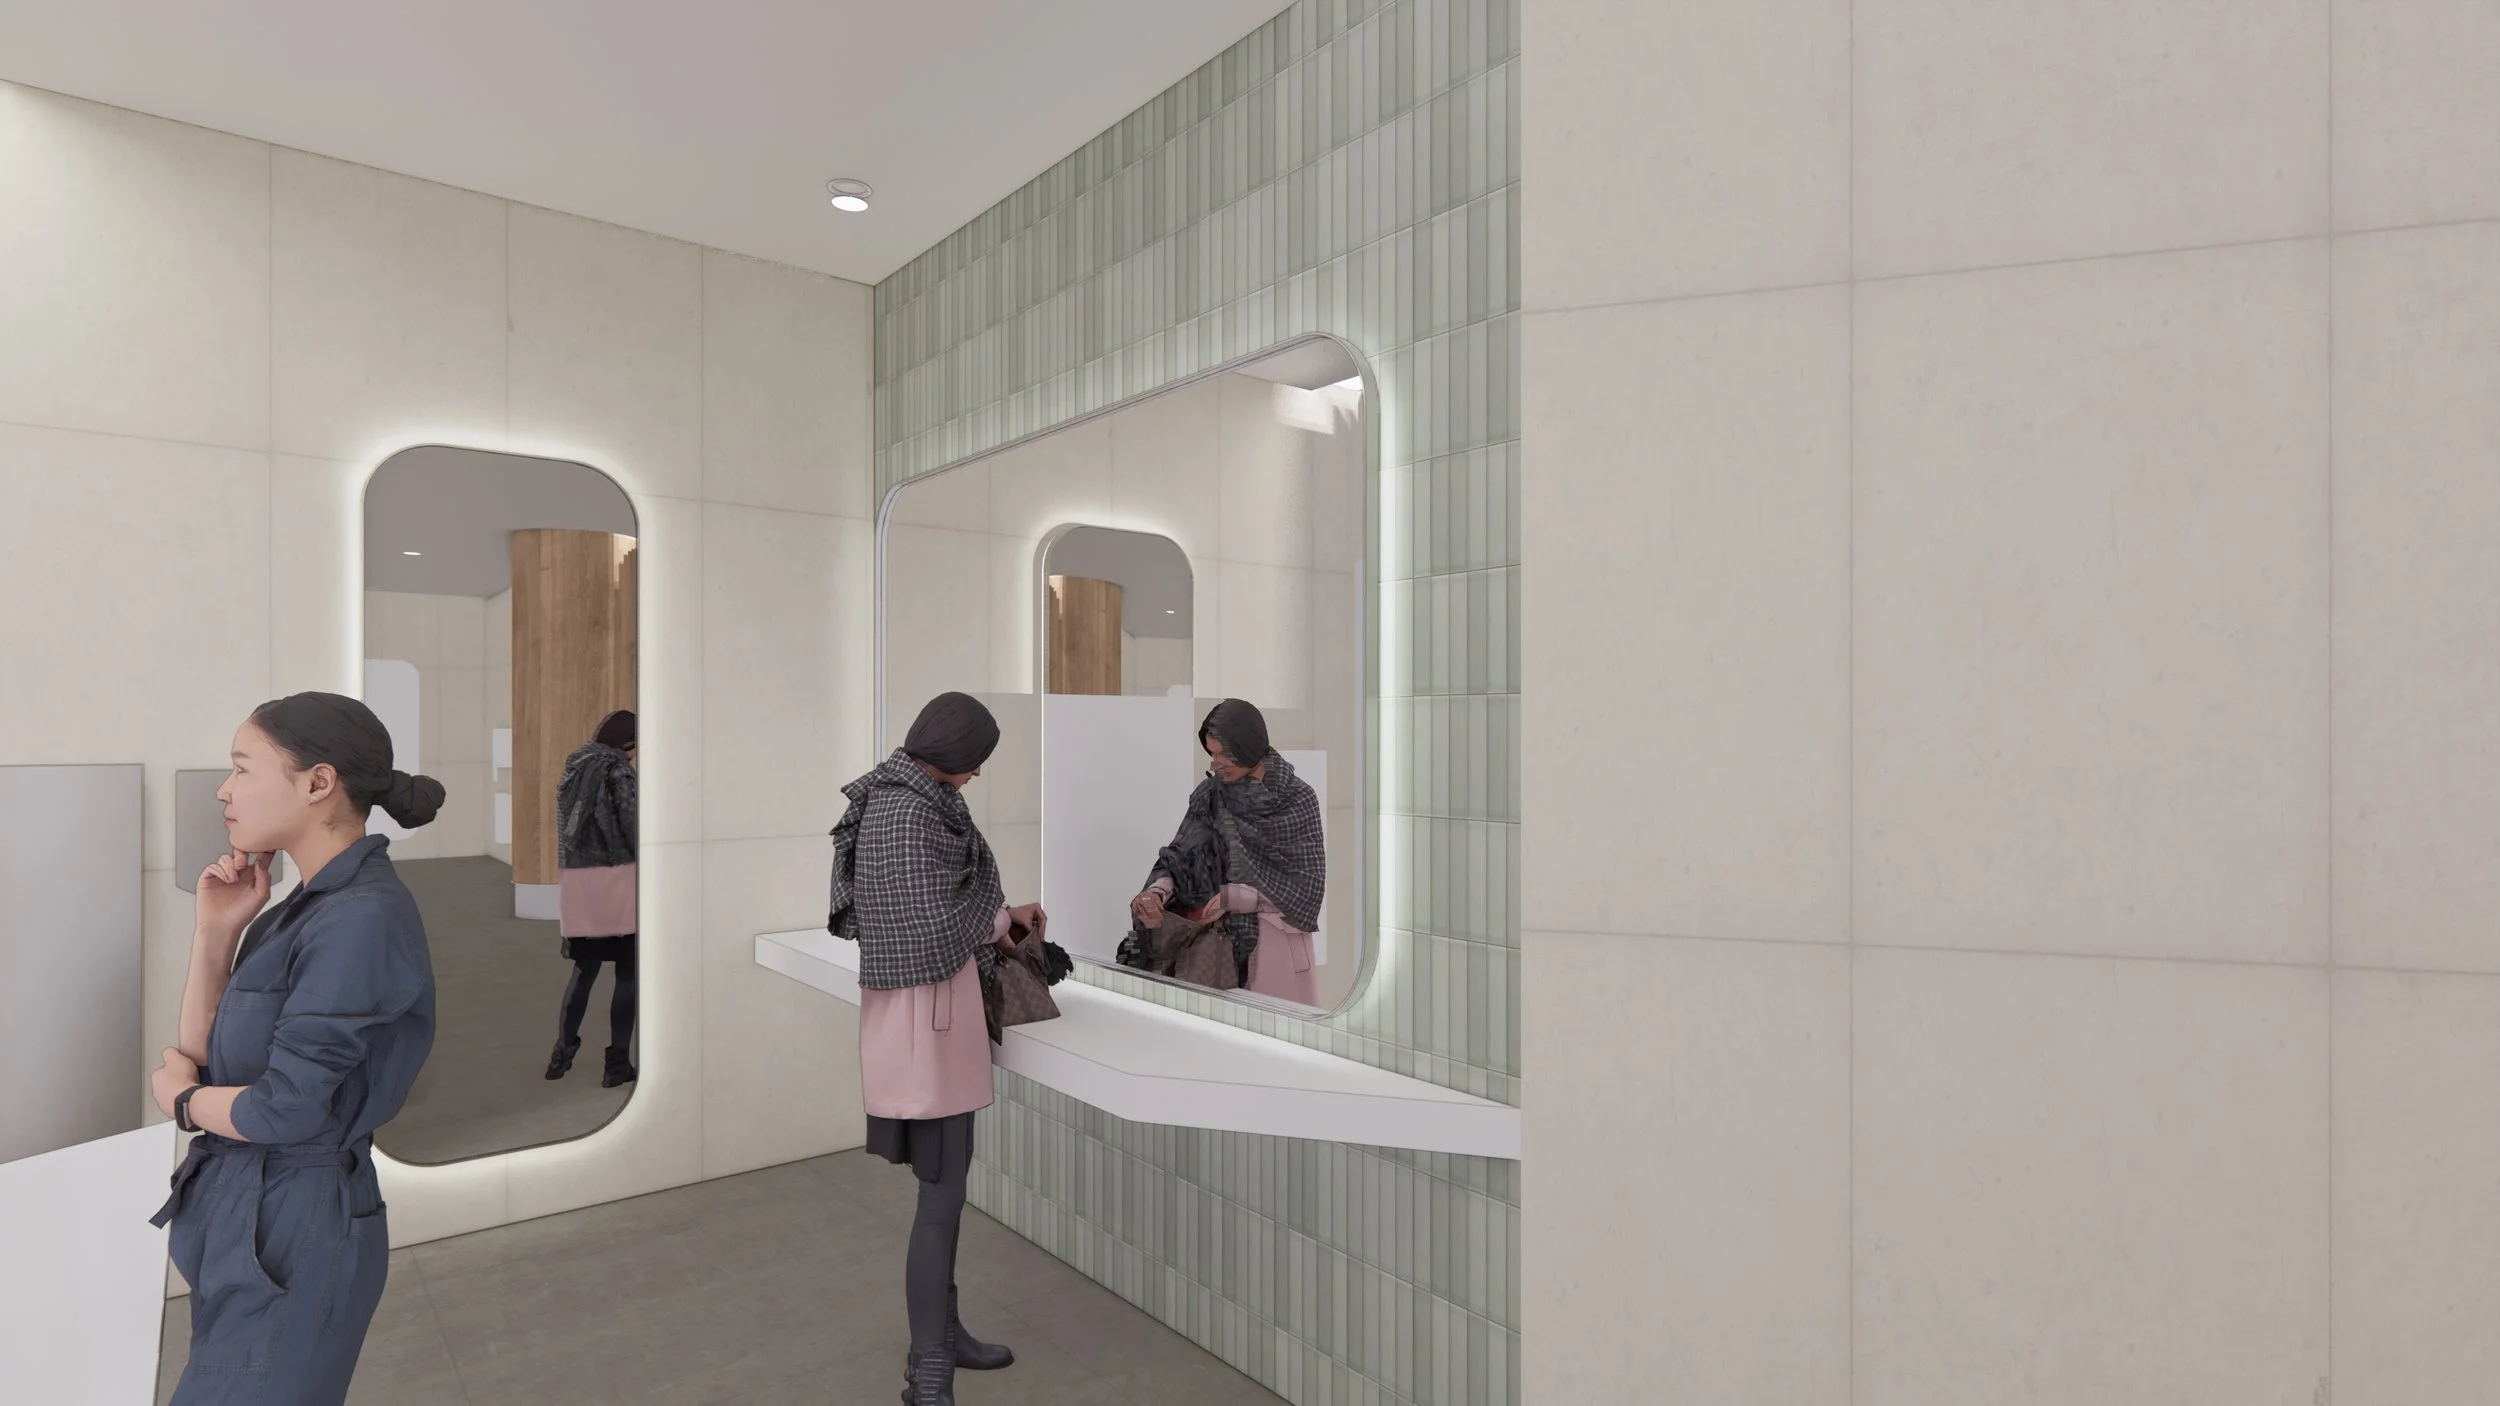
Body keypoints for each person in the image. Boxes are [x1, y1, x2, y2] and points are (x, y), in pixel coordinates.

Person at [147, 693, 442, 1406]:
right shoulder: (303, 906)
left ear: (317, 783)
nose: (225, 789)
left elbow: (280, 1109)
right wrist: (215, 934)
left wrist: (183, 1103)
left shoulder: (360, 919)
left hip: (294, 1229)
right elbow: (206, 1053)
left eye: (243, 768)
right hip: (251, 1212)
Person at [829, 692, 1036, 1406]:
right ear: (952, 749)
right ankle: (929, 1373)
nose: (977, 774)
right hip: (930, 1023)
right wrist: (1002, 917)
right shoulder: (912, 811)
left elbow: (928, 909)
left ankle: (947, 1338)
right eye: (976, 760)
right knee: (941, 1197)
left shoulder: (904, 797)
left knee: (946, 1186)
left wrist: (1001, 918)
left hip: (923, 1017)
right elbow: (929, 925)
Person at [1129, 698, 1327, 1005]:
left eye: (1224, 753)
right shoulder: (1210, 795)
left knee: (1276, 1045)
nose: (1216, 762)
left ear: (1249, 744)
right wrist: (1156, 893)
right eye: (1212, 754)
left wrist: (1236, 897)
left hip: (1277, 952)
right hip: (1217, 952)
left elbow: (1308, 887)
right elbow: (1180, 856)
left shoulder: (1298, 799)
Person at [546, 708, 638, 1087]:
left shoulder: (574, 768)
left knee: (584, 971)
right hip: (616, 883)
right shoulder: (617, 771)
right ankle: (616, 1064)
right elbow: (634, 828)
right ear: (627, 744)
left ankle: (561, 1055)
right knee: (628, 973)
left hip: (578, 884)